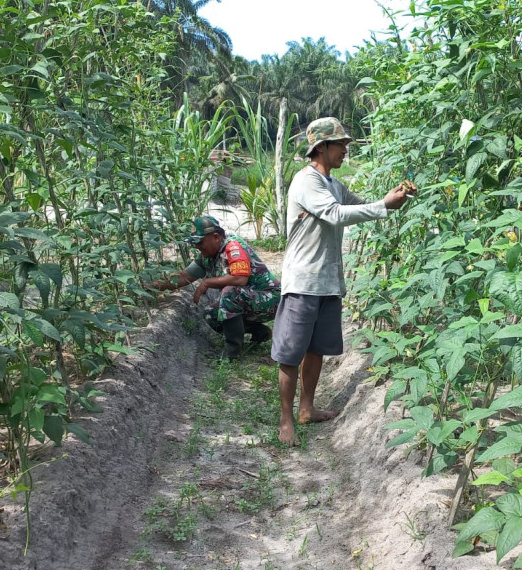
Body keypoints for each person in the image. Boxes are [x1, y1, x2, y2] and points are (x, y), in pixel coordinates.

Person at [272, 117, 414, 445]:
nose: (345, 151)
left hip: (327, 281)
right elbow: (336, 214)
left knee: (316, 348)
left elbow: (359, 204)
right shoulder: (306, 181)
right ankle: (286, 419)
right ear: (321, 147)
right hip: (303, 281)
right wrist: (382, 207)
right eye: (341, 145)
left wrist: (393, 198)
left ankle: (306, 409)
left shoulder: (333, 184)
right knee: (291, 352)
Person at [151, 216, 281, 359]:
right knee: (211, 314)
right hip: (250, 301)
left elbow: (240, 278)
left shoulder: (233, 247)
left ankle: (231, 354)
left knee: (230, 292)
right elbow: (184, 276)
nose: (197, 246)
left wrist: (207, 282)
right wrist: (155, 285)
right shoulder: (207, 255)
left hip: (269, 300)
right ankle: (259, 332)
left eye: (200, 242)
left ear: (216, 237)